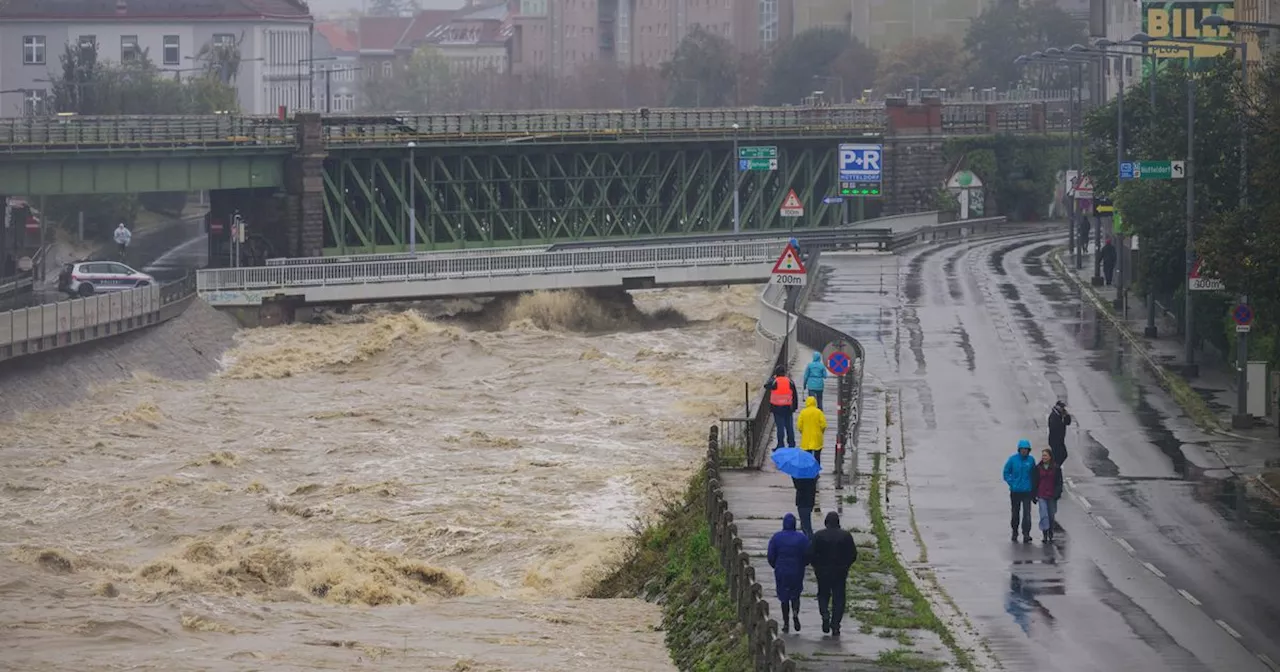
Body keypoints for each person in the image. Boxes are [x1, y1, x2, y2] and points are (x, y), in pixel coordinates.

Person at [806, 511, 856, 636]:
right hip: (840, 572)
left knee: (823, 595)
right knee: (839, 598)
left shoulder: (818, 535)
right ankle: (835, 624)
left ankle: (825, 614)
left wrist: (816, 566)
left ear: (826, 522)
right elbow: (853, 554)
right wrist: (846, 566)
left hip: (822, 571)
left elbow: (811, 554)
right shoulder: (846, 536)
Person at [767, 513, 809, 634]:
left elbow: (771, 555)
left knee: (784, 596)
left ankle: (786, 623)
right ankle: (795, 612)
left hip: (782, 570)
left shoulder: (776, 537)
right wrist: (803, 564)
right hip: (797, 570)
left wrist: (775, 565)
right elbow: (808, 553)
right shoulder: (802, 538)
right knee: (795, 593)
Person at [1003, 439, 1037, 543]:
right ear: (1019, 450)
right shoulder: (1013, 460)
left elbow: (1034, 475)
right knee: (1015, 513)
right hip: (1015, 491)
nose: (1024, 451)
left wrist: (1034, 489)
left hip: (1027, 491)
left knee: (1027, 514)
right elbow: (1006, 472)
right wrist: (1011, 482)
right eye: (1022, 449)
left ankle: (1026, 533)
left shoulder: (1031, 460)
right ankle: (1014, 531)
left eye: (1026, 449)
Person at [1031, 449, 1064, 543]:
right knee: (1043, 515)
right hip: (1041, 495)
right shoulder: (1038, 468)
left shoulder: (1056, 468)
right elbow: (1035, 482)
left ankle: (1050, 532)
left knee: (1051, 515)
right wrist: (1034, 495)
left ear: (1050, 457)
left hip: (1052, 496)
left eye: (1045, 455)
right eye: (1043, 455)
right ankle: (1044, 534)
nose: (1044, 457)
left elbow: (1059, 482)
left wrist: (1057, 493)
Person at [765, 365, 799, 449]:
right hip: (788, 408)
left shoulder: (774, 382)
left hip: (777, 408)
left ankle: (780, 445)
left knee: (780, 428)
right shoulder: (790, 381)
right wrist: (795, 407)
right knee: (789, 427)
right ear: (784, 373)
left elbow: (766, 386)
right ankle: (791, 444)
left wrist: (772, 378)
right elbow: (795, 395)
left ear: (776, 373)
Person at [796, 395, 827, 469]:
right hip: (817, 437)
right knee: (817, 456)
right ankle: (816, 469)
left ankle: (808, 470)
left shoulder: (803, 412)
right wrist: (821, 432)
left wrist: (802, 432)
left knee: (807, 456)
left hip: (806, 439)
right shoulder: (819, 412)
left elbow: (799, 426)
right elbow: (823, 425)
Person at [1047, 401, 1072, 467]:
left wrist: (1066, 415)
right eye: (1062, 407)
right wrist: (1062, 422)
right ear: (1057, 407)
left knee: (1063, 455)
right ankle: (1053, 468)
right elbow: (1054, 428)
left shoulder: (1060, 415)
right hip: (1055, 441)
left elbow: (1068, 422)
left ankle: (1055, 468)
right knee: (1059, 456)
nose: (1063, 409)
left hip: (1060, 440)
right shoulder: (1053, 416)